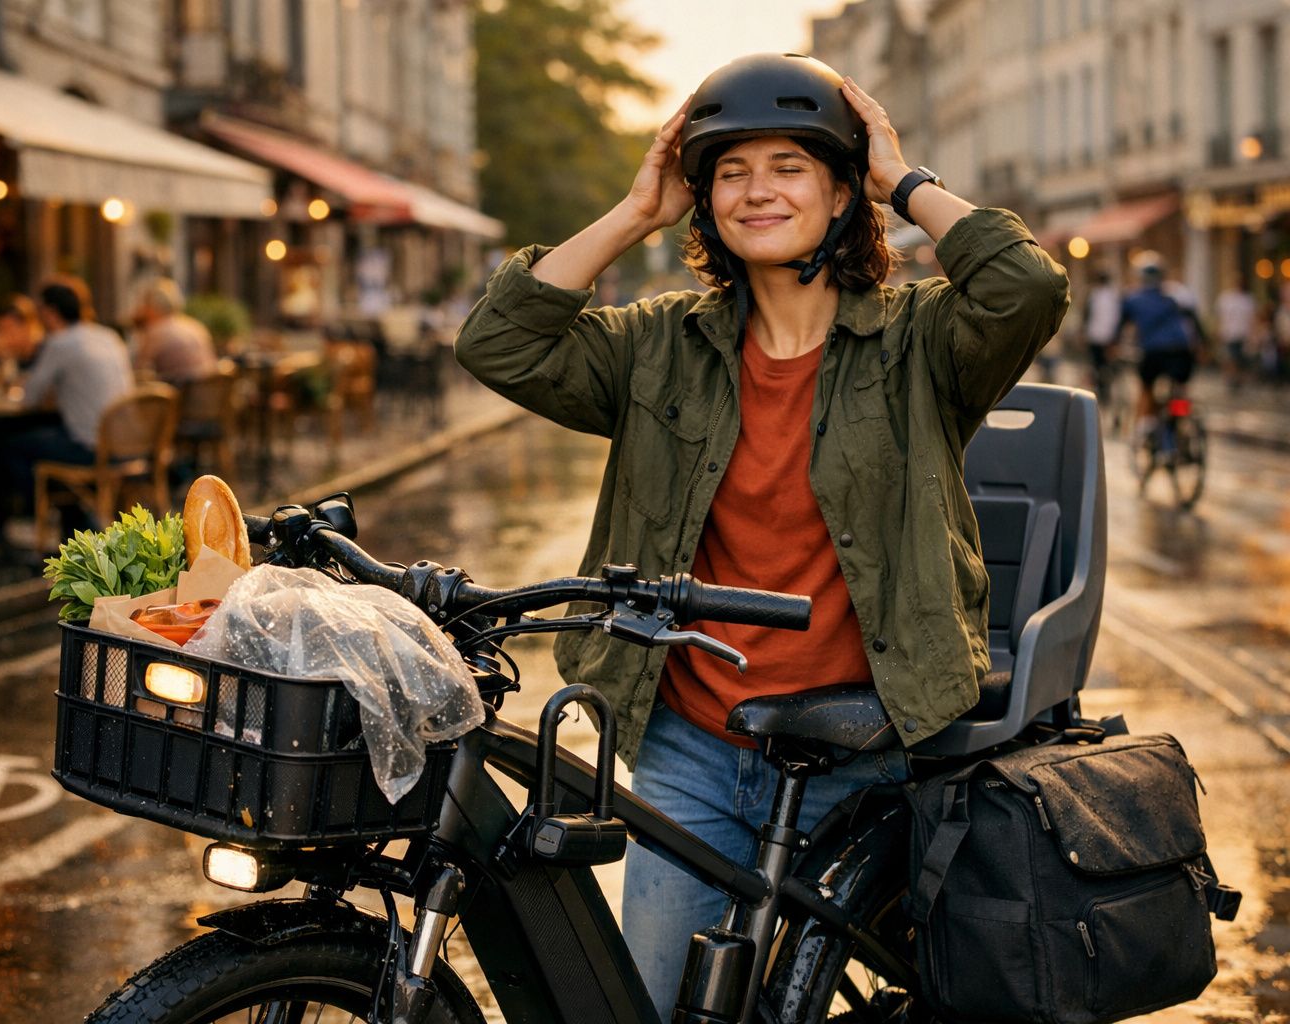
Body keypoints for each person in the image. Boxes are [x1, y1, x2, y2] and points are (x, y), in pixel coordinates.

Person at [452, 53, 1069, 1020]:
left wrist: (903, 180)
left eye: (788, 166)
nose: (757, 191)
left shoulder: (918, 344)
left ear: (838, 191)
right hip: (692, 740)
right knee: (659, 1004)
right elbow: (498, 342)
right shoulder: (659, 343)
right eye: (730, 172)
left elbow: (1025, 286)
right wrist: (633, 214)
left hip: (862, 736)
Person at [0, 276, 134, 538]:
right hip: (129, 443)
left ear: (49, 312)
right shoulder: (109, 335)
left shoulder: (60, 343)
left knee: (11, 446)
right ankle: (75, 515)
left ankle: (46, 516)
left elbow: (30, 397)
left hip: (92, 447)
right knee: (46, 438)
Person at [1118, 256, 1206, 442]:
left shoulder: (1133, 299)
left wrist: (1114, 346)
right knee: (1179, 387)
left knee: (1147, 387)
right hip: (1181, 351)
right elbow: (1194, 320)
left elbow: (1120, 326)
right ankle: (1180, 419)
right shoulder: (1173, 298)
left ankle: (1146, 428)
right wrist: (1202, 344)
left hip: (1153, 352)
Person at [129, 278, 218, 385]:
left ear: (153, 307)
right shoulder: (194, 325)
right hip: (207, 393)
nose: (142, 309)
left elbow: (138, 369)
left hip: (182, 395)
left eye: (144, 305)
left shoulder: (157, 331)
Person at [1083, 269, 1122, 404]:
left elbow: (1086, 315)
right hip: (1109, 337)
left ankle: (1100, 389)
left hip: (1095, 335)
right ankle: (1106, 390)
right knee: (1108, 366)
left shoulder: (1093, 295)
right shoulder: (1114, 296)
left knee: (1097, 366)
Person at [1214, 274, 1255, 392]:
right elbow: (1220, 316)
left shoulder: (1248, 299)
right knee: (1230, 358)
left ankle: (1238, 380)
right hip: (1229, 333)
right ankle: (1231, 379)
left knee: (1240, 359)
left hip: (1243, 334)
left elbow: (1252, 318)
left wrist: (1252, 335)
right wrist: (1218, 331)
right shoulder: (1225, 298)